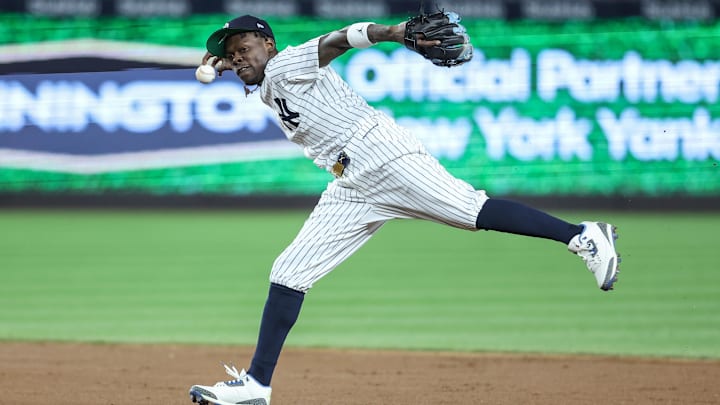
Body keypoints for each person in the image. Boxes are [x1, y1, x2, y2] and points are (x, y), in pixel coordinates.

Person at [188, 14, 620, 405]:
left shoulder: (285, 64)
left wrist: (393, 33)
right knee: (289, 272)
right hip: (351, 184)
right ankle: (256, 386)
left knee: (471, 210)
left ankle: (582, 235)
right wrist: (229, 62)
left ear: (270, 45)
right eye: (231, 53)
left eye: (244, 48)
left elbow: (337, 40)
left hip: (380, 156)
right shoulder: (267, 81)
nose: (237, 57)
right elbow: (257, 72)